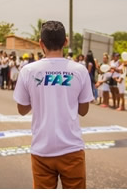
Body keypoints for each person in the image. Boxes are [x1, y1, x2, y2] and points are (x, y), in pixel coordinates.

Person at [13, 20, 93, 189]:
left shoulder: (28, 71)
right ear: (66, 41)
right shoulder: (79, 70)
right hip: (72, 149)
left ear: (41, 43)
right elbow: (84, 110)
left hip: (42, 150)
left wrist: (39, 96)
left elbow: (21, 109)